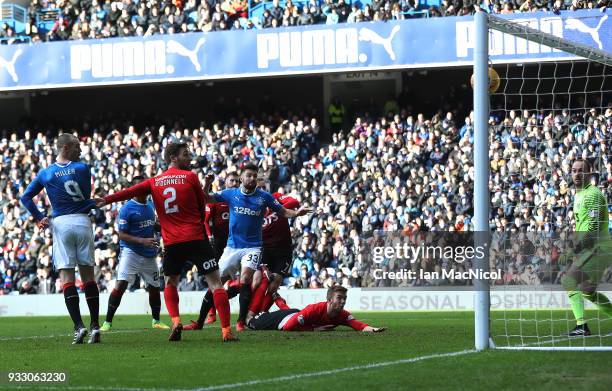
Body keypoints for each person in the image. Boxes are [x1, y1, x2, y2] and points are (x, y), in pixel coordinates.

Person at [97, 142, 237, 342]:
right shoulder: (190, 177)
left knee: (171, 283)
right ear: (173, 157)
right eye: (185, 154)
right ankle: (226, 331)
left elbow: (129, 192)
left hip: (172, 242)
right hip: (197, 237)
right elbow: (201, 206)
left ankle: (176, 321)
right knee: (215, 283)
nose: (190, 158)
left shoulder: (154, 181)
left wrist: (106, 200)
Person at [200, 163, 312, 331]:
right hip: (232, 247)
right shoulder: (231, 194)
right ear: (241, 178)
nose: (252, 178)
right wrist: (207, 183)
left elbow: (282, 211)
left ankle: (241, 321)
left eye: (254, 175)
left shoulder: (264, 197)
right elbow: (207, 198)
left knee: (247, 278)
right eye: (249, 175)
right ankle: (200, 321)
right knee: (216, 282)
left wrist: (296, 214)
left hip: (253, 247)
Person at [20, 133, 101, 344]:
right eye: (77, 147)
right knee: (89, 277)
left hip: (61, 223)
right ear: (65, 147)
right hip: (83, 222)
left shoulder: (46, 174)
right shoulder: (83, 169)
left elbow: (25, 197)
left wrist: (39, 217)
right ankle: (95, 326)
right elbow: (85, 195)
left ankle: (78, 326)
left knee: (67, 278)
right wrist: (92, 202)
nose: (80, 151)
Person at [100, 175, 170, 332]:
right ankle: (107, 322)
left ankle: (156, 320)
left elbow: (153, 225)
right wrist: (142, 241)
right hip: (130, 252)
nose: (144, 189)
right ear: (134, 190)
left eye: (145, 186)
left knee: (154, 286)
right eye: (140, 187)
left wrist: (164, 228)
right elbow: (122, 235)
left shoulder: (151, 205)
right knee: (121, 284)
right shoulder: (127, 209)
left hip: (149, 253)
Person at [560, 159, 612, 336]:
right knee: (588, 292)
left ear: (589, 173)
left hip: (599, 248)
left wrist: (573, 251)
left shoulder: (592, 195)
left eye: (581, 170)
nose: (576, 173)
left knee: (569, 281)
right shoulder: (579, 195)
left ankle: (582, 326)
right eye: (574, 170)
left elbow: (593, 229)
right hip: (592, 249)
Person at [184, 172, 238, 329]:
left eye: (236, 180)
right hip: (221, 245)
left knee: (244, 282)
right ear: (225, 183)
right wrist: (210, 236)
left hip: (241, 244)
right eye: (231, 180)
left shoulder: (242, 199)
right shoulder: (218, 199)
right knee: (218, 280)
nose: (234, 183)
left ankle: (246, 317)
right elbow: (205, 221)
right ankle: (209, 315)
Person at [247, 285, 386, 333]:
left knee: (291, 311)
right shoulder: (314, 309)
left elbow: (357, 324)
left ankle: (277, 299)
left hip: (296, 313)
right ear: (330, 299)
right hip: (282, 320)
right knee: (251, 322)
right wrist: (313, 330)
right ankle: (269, 300)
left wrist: (372, 329)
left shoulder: (342, 315)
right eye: (339, 298)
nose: (343, 301)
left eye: (344, 298)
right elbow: (288, 327)